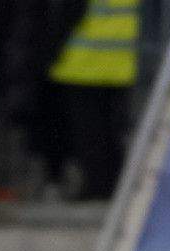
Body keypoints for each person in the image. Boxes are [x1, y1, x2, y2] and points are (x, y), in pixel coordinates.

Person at [47, 0, 136, 199]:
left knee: (89, 134)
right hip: (119, 64)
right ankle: (114, 188)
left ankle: (97, 188)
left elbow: (67, 13)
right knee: (111, 133)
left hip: (82, 63)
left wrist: (49, 50)